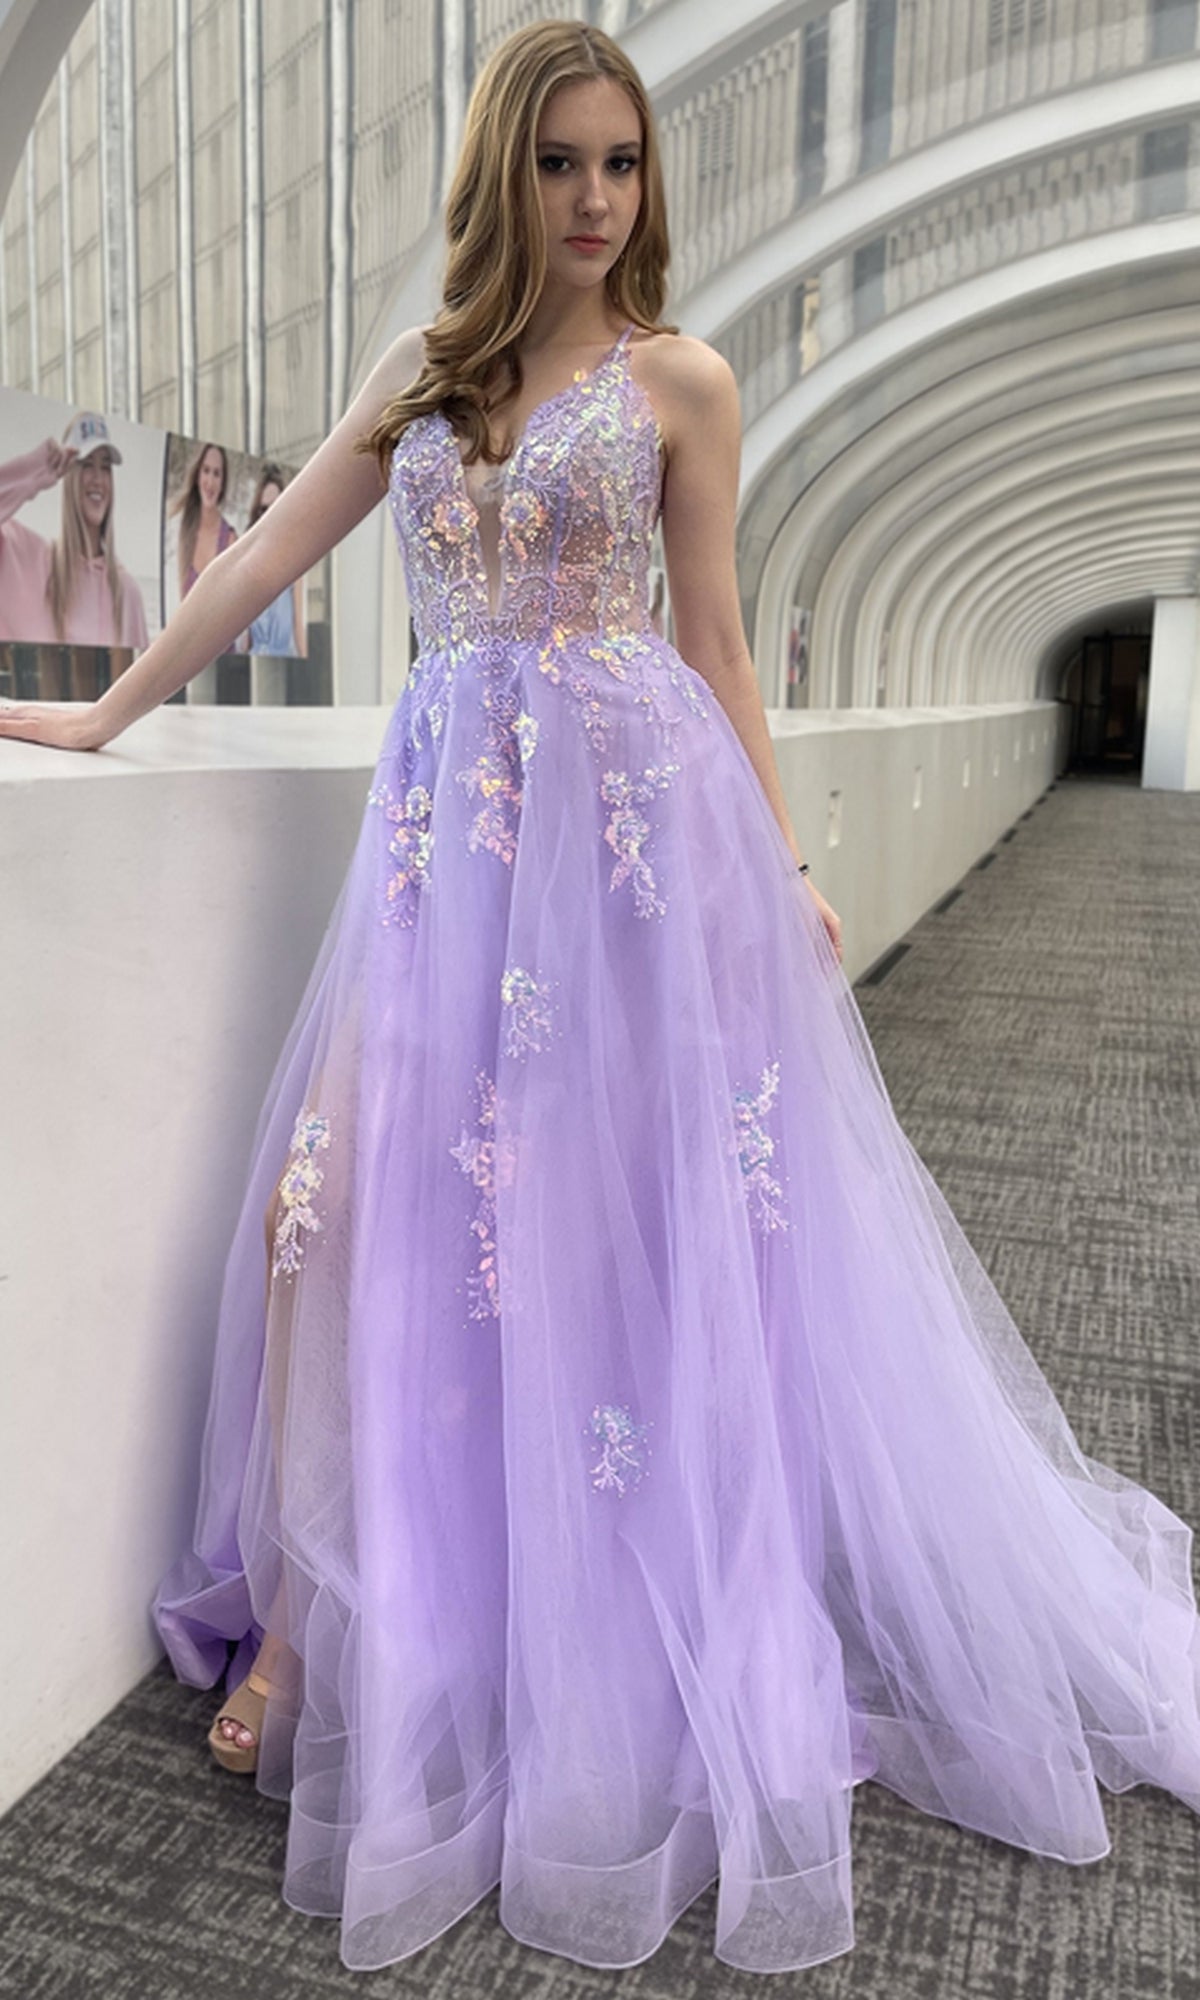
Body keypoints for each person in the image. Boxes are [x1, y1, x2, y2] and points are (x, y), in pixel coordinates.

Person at [1, 18, 1198, 1980]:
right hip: (440, 860)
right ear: (505, 176)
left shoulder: (683, 385)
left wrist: (790, 869)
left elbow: (713, 635)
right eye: (559, 163)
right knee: (336, 1205)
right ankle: (314, 1614)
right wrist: (105, 702)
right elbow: (267, 563)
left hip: (633, 848)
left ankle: (595, 1601)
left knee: (593, 1226)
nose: (592, 200)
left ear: (647, 182)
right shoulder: (423, 375)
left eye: (619, 167)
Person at [0, 409, 149, 648]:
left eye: (106, 467)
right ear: (68, 475)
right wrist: (35, 472)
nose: (98, 479)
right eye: (87, 464)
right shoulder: (29, 561)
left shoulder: (127, 592)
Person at [236, 464, 307, 656]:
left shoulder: (295, 560)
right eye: (263, 509)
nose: (269, 515)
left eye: (275, 508)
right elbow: (245, 633)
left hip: (284, 661)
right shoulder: (249, 564)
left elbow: (298, 623)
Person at [173, 439, 237, 600]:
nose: (210, 482)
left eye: (216, 473)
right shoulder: (186, 529)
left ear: (223, 483)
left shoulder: (230, 540)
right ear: (197, 476)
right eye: (206, 470)